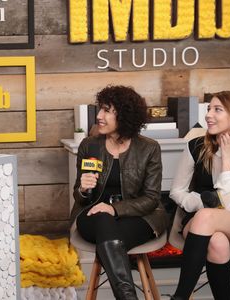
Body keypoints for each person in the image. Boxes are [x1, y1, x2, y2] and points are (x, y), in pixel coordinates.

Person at [71, 85, 168, 300]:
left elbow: (151, 199)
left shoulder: (149, 148)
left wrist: (113, 209)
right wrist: (83, 189)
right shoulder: (89, 146)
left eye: (106, 110)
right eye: (100, 109)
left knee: (109, 238)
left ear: (124, 115)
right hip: (92, 216)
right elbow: (78, 197)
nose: (99, 116)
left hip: (139, 217)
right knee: (104, 222)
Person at [170, 91, 230, 300]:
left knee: (207, 216)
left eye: (217, 110)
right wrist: (199, 202)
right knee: (217, 242)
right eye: (208, 109)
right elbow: (177, 192)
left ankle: (180, 297)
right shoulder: (195, 146)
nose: (208, 115)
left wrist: (227, 161)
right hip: (200, 220)